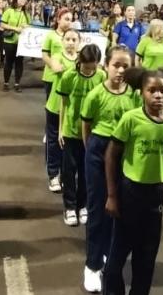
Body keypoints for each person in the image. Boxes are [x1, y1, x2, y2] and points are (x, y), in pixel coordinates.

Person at [102, 67, 163, 295]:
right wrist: (111, 195)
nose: (158, 95)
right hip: (129, 192)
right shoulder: (131, 119)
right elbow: (111, 154)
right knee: (115, 261)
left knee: (146, 260)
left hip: (155, 194)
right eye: (152, 90)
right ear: (141, 93)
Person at [80, 45, 136, 293]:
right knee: (97, 208)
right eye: (116, 65)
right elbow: (86, 127)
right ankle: (92, 265)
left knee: (117, 209)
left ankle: (107, 255)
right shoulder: (94, 95)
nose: (121, 70)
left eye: (126, 66)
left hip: (122, 152)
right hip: (98, 150)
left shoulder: (134, 95)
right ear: (106, 66)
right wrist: (93, 152)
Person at [58, 43, 105, 226]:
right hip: (71, 130)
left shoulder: (101, 76)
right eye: (85, 67)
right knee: (69, 171)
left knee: (88, 172)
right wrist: (61, 129)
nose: (88, 71)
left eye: (91, 67)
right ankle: (69, 207)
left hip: (93, 133)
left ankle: (83, 205)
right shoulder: (69, 76)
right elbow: (63, 103)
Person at [44, 29, 80, 193]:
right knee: (53, 142)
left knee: (68, 145)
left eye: (74, 39)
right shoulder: (58, 56)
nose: (71, 42)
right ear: (62, 42)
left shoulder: (81, 60)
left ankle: (66, 176)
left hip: (72, 109)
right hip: (55, 106)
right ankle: (53, 174)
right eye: (68, 39)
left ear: (79, 43)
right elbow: (56, 67)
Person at [42, 8, 74, 100]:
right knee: (51, 105)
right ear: (58, 19)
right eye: (66, 19)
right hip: (51, 76)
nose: (69, 22)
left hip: (68, 77)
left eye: (70, 20)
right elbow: (45, 55)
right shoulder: (51, 35)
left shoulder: (73, 37)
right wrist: (54, 66)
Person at [0, 0, 30, 92]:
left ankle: (17, 84)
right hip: (9, 41)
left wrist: (26, 26)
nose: (23, 0)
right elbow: (2, 24)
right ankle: (6, 83)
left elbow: (29, 26)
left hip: (21, 43)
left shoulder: (26, 13)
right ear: (16, 0)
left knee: (19, 63)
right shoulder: (9, 11)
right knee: (8, 62)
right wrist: (14, 28)